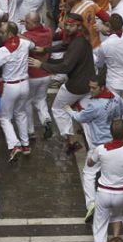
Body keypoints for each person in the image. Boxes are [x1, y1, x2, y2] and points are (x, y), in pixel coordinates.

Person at [67, 78, 123, 223]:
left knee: (89, 174)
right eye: (90, 87)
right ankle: (112, 209)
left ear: (102, 87)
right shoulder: (115, 97)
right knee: (111, 175)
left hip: (100, 147)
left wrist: (69, 111)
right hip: (116, 144)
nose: (91, 90)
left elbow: (81, 117)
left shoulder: (94, 105)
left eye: (94, 88)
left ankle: (91, 204)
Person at [29, 13, 95, 155]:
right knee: (86, 117)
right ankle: (93, 146)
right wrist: (45, 49)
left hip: (76, 86)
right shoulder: (77, 38)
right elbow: (64, 46)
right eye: (66, 25)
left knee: (58, 109)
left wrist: (42, 65)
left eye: (71, 25)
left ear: (78, 26)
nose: (67, 28)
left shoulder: (78, 43)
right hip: (88, 84)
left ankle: (71, 141)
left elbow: (65, 67)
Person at [0, 22, 34, 161]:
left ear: (10, 34)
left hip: (10, 86)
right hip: (25, 85)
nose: (0, 35)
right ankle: (26, 145)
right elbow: (33, 45)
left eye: (2, 32)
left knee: (4, 117)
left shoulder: (4, 50)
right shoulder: (25, 44)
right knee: (21, 113)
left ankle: (14, 145)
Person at [21, 12, 54, 140]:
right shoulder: (49, 32)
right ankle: (46, 119)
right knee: (41, 100)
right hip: (46, 74)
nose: (25, 24)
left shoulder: (26, 36)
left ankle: (30, 130)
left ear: (35, 23)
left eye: (27, 22)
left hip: (32, 74)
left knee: (28, 102)